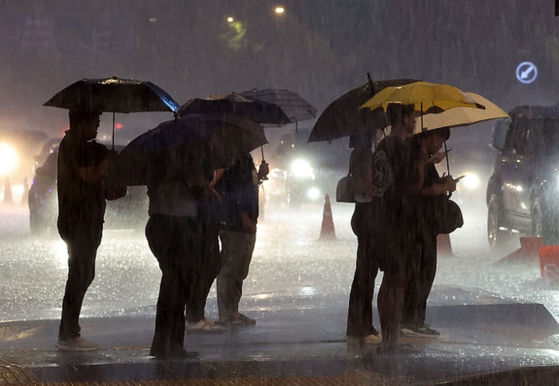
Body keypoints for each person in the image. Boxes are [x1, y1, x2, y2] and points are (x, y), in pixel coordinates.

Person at [146, 143, 221, 358]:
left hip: (165, 224)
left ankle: (169, 342)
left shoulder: (160, 162)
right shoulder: (179, 167)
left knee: (175, 284)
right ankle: (167, 343)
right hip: (175, 226)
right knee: (176, 285)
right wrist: (204, 187)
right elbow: (198, 189)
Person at [56, 109, 115, 351]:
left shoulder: (79, 145)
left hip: (85, 219)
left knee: (83, 273)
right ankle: (68, 333)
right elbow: (89, 176)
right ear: (82, 122)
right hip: (78, 220)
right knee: (80, 274)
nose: (98, 126)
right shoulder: (74, 145)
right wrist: (105, 164)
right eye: (95, 121)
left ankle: (70, 330)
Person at [371, 103, 427, 354]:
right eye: (412, 117)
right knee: (398, 280)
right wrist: (423, 163)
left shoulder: (382, 145)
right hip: (401, 220)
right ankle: (391, 338)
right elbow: (413, 185)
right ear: (403, 119)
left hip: (383, 218)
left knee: (389, 279)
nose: (414, 122)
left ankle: (388, 337)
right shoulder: (402, 148)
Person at [401, 127, 456, 338]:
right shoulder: (416, 155)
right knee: (422, 271)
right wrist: (444, 187)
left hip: (421, 223)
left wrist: (440, 179)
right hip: (420, 223)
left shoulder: (421, 155)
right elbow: (420, 189)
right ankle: (413, 320)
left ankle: (413, 319)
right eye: (440, 140)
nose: (440, 145)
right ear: (432, 136)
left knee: (421, 271)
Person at [213, 153, 269, 326]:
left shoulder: (246, 159)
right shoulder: (232, 159)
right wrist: (242, 215)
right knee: (230, 268)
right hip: (234, 223)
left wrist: (259, 176)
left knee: (241, 269)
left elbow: (247, 187)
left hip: (249, 221)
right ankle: (226, 314)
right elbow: (229, 190)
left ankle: (233, 311)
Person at [345, 131, 381, 345]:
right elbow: (367, 185)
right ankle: (362, 324)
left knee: (363, 273)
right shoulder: (366, 155)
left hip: (361, 214)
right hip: (368, 215)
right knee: (366, 274)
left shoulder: (357, 154)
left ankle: (357, 324)